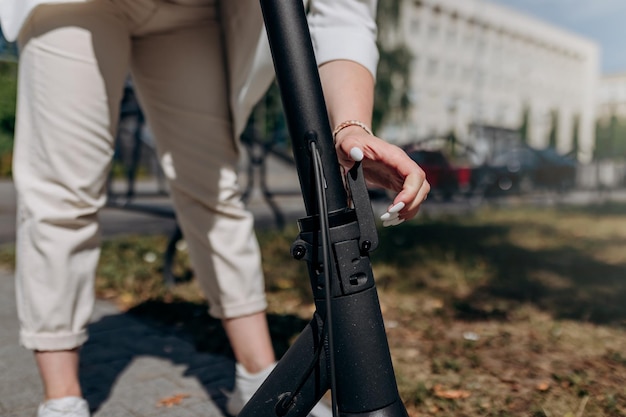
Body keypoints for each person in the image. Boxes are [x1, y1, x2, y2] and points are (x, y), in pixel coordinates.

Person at [0, 0, 430, 416]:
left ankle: (258, 378)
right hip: (76, 5)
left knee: (214, 186)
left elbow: (343, 16)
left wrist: (352, 129)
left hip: (189, 13)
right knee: (63, 190)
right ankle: (62, 400)